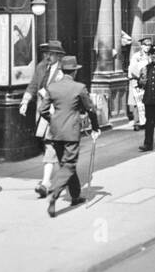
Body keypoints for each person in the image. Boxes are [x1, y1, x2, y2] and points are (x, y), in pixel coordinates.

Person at [45, 55, 101, 215]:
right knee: (69, 165)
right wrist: (95, 127)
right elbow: (90, 109)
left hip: (54, 132)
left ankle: (75, 195)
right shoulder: (79, 88)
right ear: (74, 72)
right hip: (70, 132)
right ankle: (53, 193)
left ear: (62, 71)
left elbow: (42, 110)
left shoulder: (52, 87)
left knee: (66, 164)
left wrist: (54, 120)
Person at [19, 41, 65, 198]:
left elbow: (68, 90)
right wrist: (25, 101)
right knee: (51, 144)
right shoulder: (41, 66)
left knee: (51, 144)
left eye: (50, 53)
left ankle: (46, 182)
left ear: (58, 55)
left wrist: (50, 93)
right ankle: (58, 179)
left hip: (57, 111)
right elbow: (33, 85)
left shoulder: (64, 69)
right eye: (46, 53)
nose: (47, 56)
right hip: (44, 111)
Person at [125, 35, 149, 130]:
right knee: (137, 103)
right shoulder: (136, 56)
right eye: (145, 45)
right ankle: (137, 122)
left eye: (149, 45)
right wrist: (140, 77)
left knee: (145, 102)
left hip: (146, 82)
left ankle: (145, 121)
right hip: (136, 82)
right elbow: (132, 69)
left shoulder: (149, 56)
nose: (147, 47)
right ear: (141, 46)